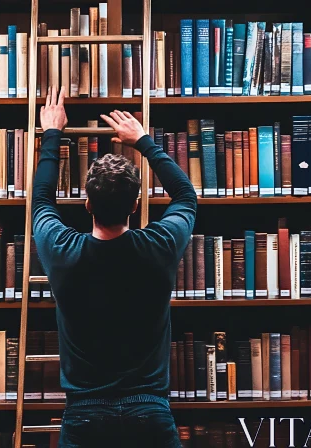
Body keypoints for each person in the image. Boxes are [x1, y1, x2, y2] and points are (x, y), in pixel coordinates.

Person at [32, 86, 197, 447]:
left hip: (84, 416)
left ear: (87, 204)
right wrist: (143, 141)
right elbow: (186, 196)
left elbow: (41, 199)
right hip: (150, 413)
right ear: (135, 206)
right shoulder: (160, 246)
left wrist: (52, 134)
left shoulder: (62, 250)